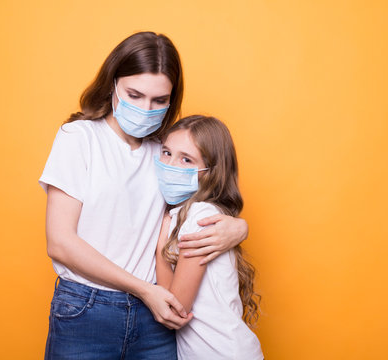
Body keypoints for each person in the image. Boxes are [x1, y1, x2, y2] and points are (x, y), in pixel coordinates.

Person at [39, 32, 248, 359]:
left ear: (171, 100)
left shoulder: (167, 152)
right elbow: (60, 242)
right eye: (134, 95)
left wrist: (239, 227)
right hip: (88, 310)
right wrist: (143, 290)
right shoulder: (79, 138)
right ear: (113, 85)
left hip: (155, 319)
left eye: (159, 101)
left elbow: (195, 207)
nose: (145, 108)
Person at [155, 115, 263, 360]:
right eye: (166, 152)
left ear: (211, 172)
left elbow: (175, 309)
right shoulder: (185, 212)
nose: (171, 164)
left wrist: (160, 248)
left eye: (186, 159)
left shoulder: (200, 216)